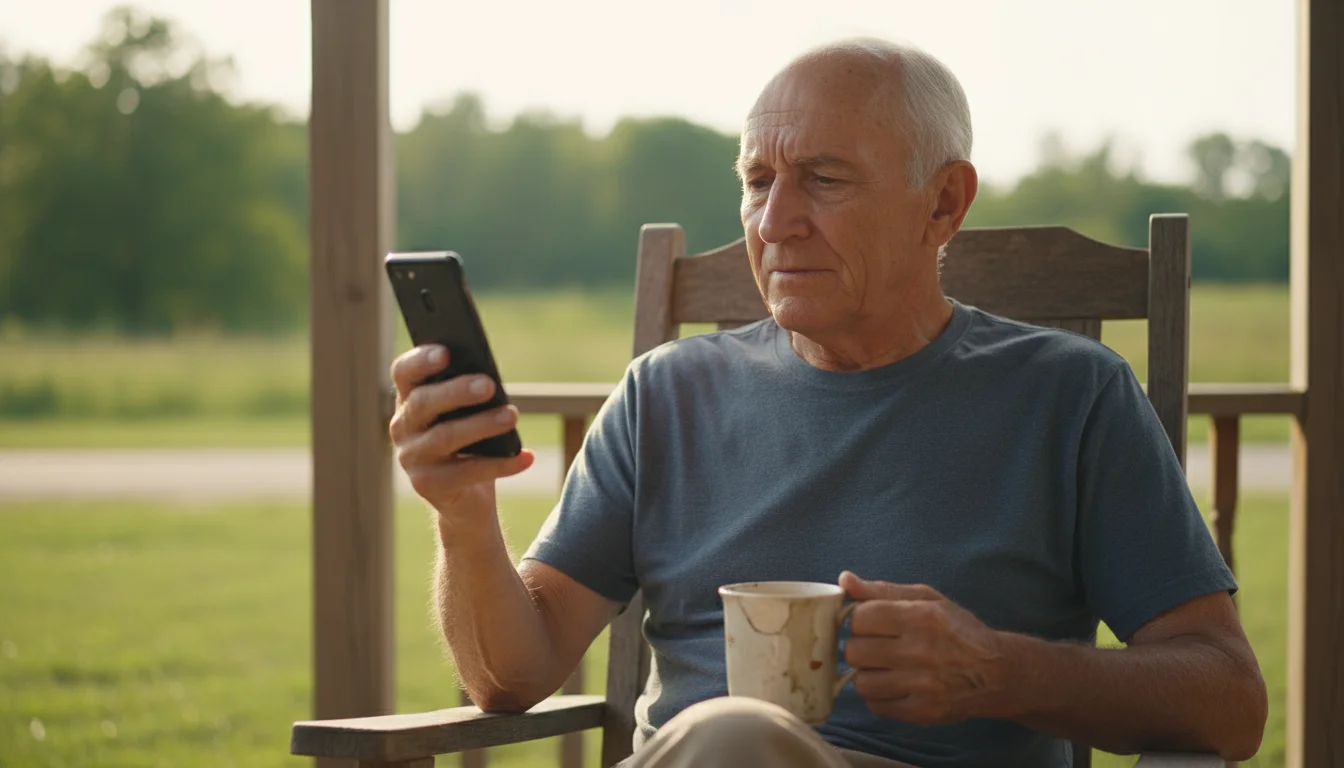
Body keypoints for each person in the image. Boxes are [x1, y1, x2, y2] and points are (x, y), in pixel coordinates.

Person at [388, 38, 1267, 768]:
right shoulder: (665, 397)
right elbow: (510, 677)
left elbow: (1229, 702)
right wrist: (464, 513)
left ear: (944, 203)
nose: (774, 222)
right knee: (730, 741)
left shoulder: (1071, 398)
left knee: (731, 740)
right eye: (758, 180)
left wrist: (1000, 671)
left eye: (824, 179)